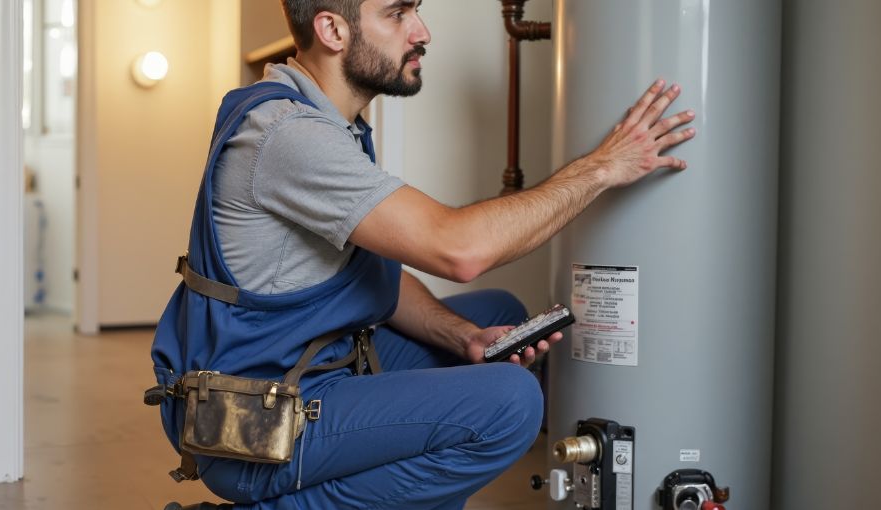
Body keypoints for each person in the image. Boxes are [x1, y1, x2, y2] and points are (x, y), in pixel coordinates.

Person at [150, 0, 696, 508]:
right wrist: (603, 167)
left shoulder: (330, 123)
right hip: (254, 424)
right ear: (332, 30)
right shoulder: (289, 136)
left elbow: (368, 274)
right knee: (511, 401)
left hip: (306, 368)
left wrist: (463, 337)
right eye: (398, 13)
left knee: (496, 319)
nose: (422, 31)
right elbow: (459, 250)